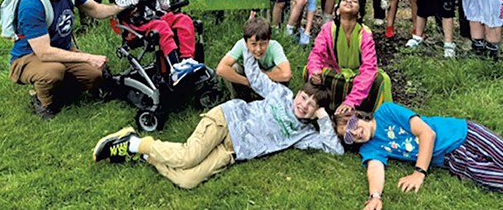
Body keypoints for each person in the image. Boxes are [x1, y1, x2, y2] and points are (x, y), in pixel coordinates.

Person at [93, 50, 344, 189]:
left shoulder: (305, 134)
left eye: (312, 106)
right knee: (187, 156)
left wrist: (322, 117)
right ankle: (133, 142)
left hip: (233, 151)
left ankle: (146, 153)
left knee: (187, 180)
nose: (303, 105)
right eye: (303, 98)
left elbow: (336, 150)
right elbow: (256, 79)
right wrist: (248, 50)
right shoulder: (282, 94)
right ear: (298, 93)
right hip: (228, 119)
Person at [334, 103, 503, 210]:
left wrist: (419, 172)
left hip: (466, 135)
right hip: (455, 161)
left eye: (353, 125)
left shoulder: (387, 111)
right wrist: (375, 197)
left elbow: (427, 134)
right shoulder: (370, 148)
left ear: (360, 116)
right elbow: (375, 170)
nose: (354, 134)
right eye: (348, 137)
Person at [9, 0, 124, 119]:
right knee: (54, 71)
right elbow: (44, 52)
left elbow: (96, 10)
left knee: (95, 74)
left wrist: (123, 6)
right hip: (28, 56)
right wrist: (88, 57)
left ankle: (60, 90)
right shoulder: (31, 4)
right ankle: (43, 103)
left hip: (60, 50)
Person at [305, 0, 392, 114]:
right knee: (309, 70)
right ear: (337, 11)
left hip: (358, 74)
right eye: (345, 0)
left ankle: (371, 116)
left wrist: (351, 101)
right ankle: (316, 110)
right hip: (336, 70)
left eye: (354, 1)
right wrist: (314, 71)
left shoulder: (365, 34)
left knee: (380, 80)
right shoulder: (328, 29)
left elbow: (369, 67)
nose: (349, 2)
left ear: (359, 12)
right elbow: (316, 54)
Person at [216, 16, 292, 100]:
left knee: (279, 70)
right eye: (253, 44)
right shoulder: (241, 44)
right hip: (248, 81)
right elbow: (221, 69)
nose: (258, 49)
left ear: (269, 40)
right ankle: (241, 99)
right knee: (234, 67)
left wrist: (261, 75)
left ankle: (272, 99)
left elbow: (286, 74)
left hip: (268, 84)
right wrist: (247, 81)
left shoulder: (275, 46)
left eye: (263, 44)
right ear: (246, 42)